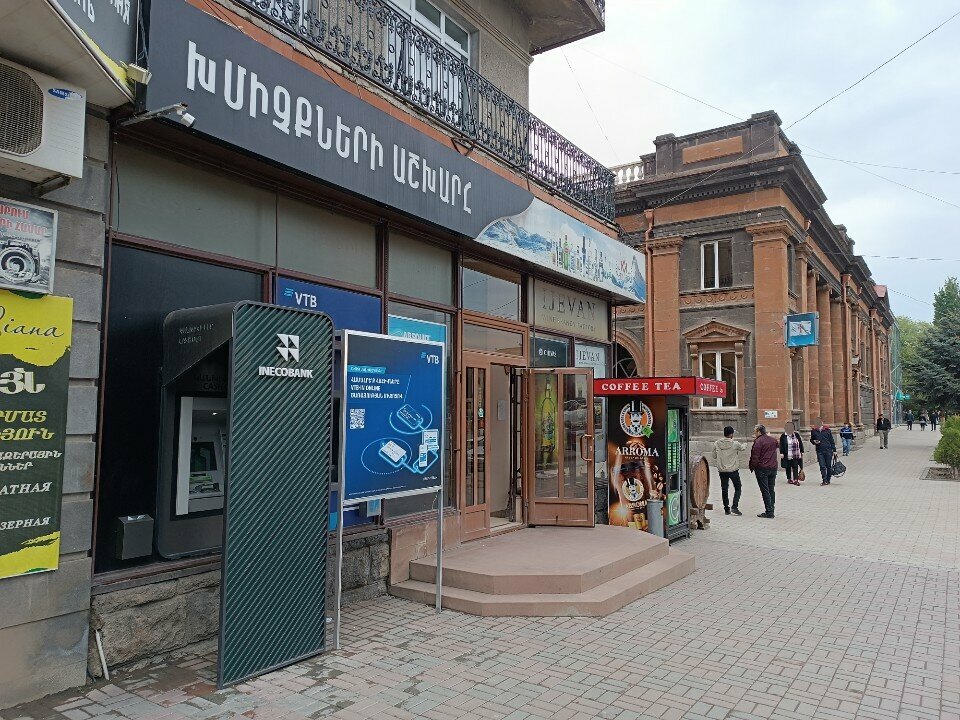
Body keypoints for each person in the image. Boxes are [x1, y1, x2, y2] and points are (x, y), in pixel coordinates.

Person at [712, 426, 745, 516]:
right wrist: (745, 444)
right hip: (733, 470)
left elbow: (714, 456)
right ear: (731, 434)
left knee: (724, 488)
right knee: (738, 487)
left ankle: (726, 509)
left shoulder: (717, 443)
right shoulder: (735, 443)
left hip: (722, 470)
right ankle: (734, 507)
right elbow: (743, 448)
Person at [749, 424, 778, 518]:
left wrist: (752, 467)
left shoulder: (758, 441)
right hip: (773, 467)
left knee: (765, 490)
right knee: (771, 489)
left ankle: (769, 511)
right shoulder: (773, 439)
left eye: (755, 431)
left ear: (759, 432)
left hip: (762, 468)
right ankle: (771, 509)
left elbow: (755, 457)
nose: (754, 433)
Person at [810, 418, 836, 485]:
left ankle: (828, 479)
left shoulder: (827, 430)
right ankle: (824, 480)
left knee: (828, 466)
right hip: (819, 451)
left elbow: (831, 441)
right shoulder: (813, 431)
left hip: (828, 450)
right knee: (822, 466)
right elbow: (812, 439)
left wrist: (834, 450)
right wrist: (814, 441)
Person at [779, 422, 805, 486]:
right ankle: (789, 478)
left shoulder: (796, 434)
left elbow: (800, 443)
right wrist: (781, 453)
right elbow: (781, 445)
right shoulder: (783, 436)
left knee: (795, 466)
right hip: (787, 454)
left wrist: (802, 451)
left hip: (795, 454)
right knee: (788, 467)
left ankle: (796, 479)